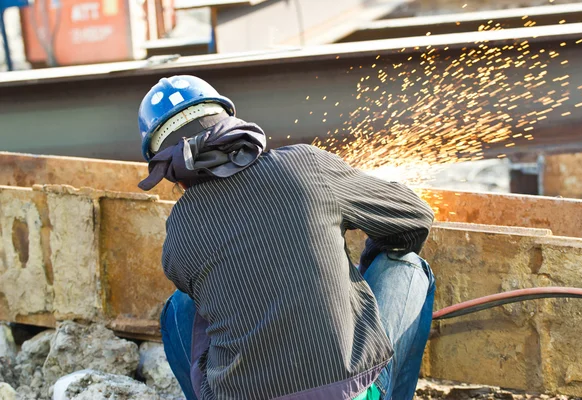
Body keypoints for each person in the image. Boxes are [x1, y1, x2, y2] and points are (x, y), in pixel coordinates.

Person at [137, 75, 436, 400]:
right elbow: (415, 216)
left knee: (181, 306)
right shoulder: (304, 164)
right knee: (406, 265)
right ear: (231, 125)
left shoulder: (178, 233)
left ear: (170, 172)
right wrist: (362, 272)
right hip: (346, 393)